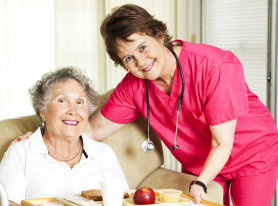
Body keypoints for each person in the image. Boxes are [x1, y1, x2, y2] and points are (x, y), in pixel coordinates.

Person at [15, 4, 278, 206]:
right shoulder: (133, 86)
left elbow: (222, 142)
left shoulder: (214, 67)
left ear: (160, 35)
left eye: (143, 47)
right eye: (128, 58)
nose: (140, 62)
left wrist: (200, 182)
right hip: (199, 160)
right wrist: (42, 138)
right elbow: (93, 130)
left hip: (251, 154)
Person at [0, 67, 129, 206]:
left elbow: (126, 202)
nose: (73, 111)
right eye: (62, 101)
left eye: (79, 102)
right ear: (43, 111)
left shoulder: (104, 153)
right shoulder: (20, 153)